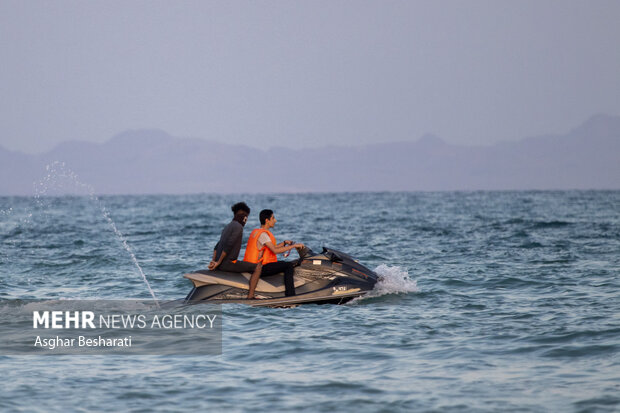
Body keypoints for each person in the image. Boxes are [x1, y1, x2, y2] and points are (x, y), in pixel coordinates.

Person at [243, 209, 304, 299]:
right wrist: (293, 246)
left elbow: (272, 248)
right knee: (288, 266)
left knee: (284, 264)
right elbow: (275, 251)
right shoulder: (263, 235)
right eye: (273, 218)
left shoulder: (258, 232)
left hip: (253, 265)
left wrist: (284, 243)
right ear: (267, 220)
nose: (275, 220)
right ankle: (290, 296)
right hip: (259, 268)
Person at [208, 202, 262, 281]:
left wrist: (214, 261)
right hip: (228, 264)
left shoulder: (227, 226)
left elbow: (216, 247)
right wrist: (218, 262)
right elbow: (228, 245)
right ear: (244, 217)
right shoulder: (238, 227)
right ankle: (251, 293)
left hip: (221, 263)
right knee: (258, 267)